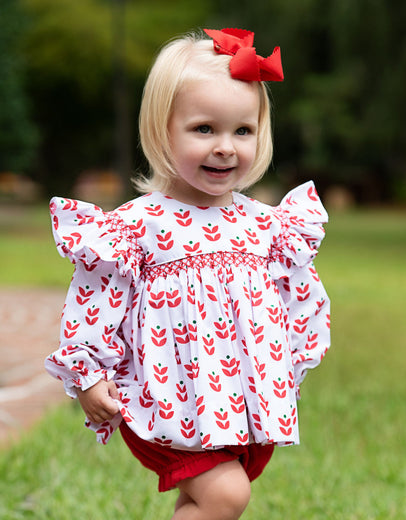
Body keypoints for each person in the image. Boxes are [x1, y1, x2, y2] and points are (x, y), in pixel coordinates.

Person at [45, 28, 330, 520]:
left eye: (242, 131)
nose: (226, 147)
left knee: (202, 500)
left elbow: (297, 297)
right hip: (168, 399)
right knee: (225, 496)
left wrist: (293, 362)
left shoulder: (267, 225)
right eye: (204, 129)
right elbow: (96, 300)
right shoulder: (138, 226)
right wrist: (88, 374)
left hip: (246, 396)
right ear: (162, 130)